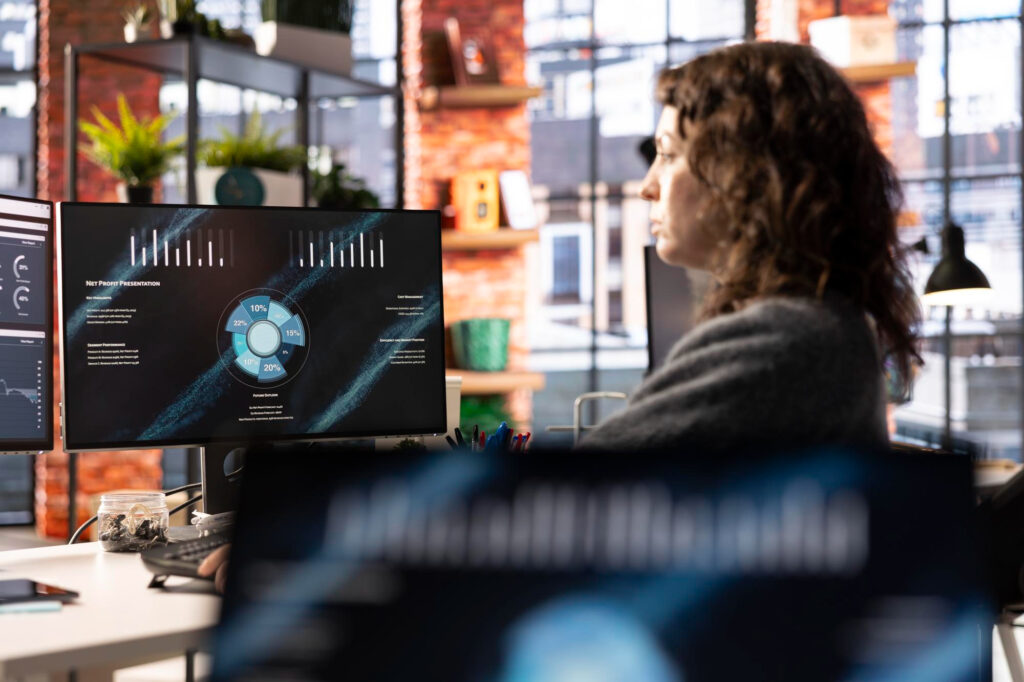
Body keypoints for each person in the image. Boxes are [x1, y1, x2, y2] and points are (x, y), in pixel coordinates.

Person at [581, 41, 920, 452]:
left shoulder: (790, 340)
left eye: (668, 155)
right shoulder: (821, 324)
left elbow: (579, 487)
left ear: (746, 175)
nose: (647, 187)